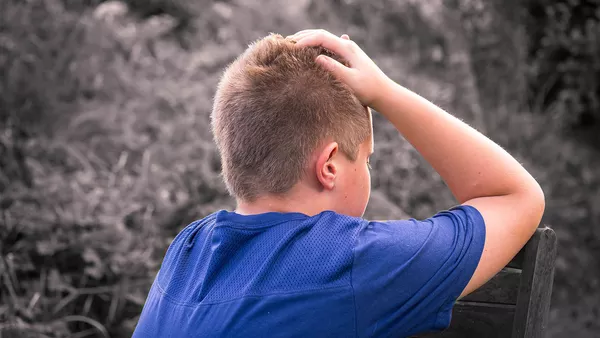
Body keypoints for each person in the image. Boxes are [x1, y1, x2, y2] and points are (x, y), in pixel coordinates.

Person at [133, 29, 545, 337]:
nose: (368, 171)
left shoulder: (187, 251)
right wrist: (386, 93)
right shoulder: (350, 262)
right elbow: (516, 197)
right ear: (329, 165)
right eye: (366, 159)